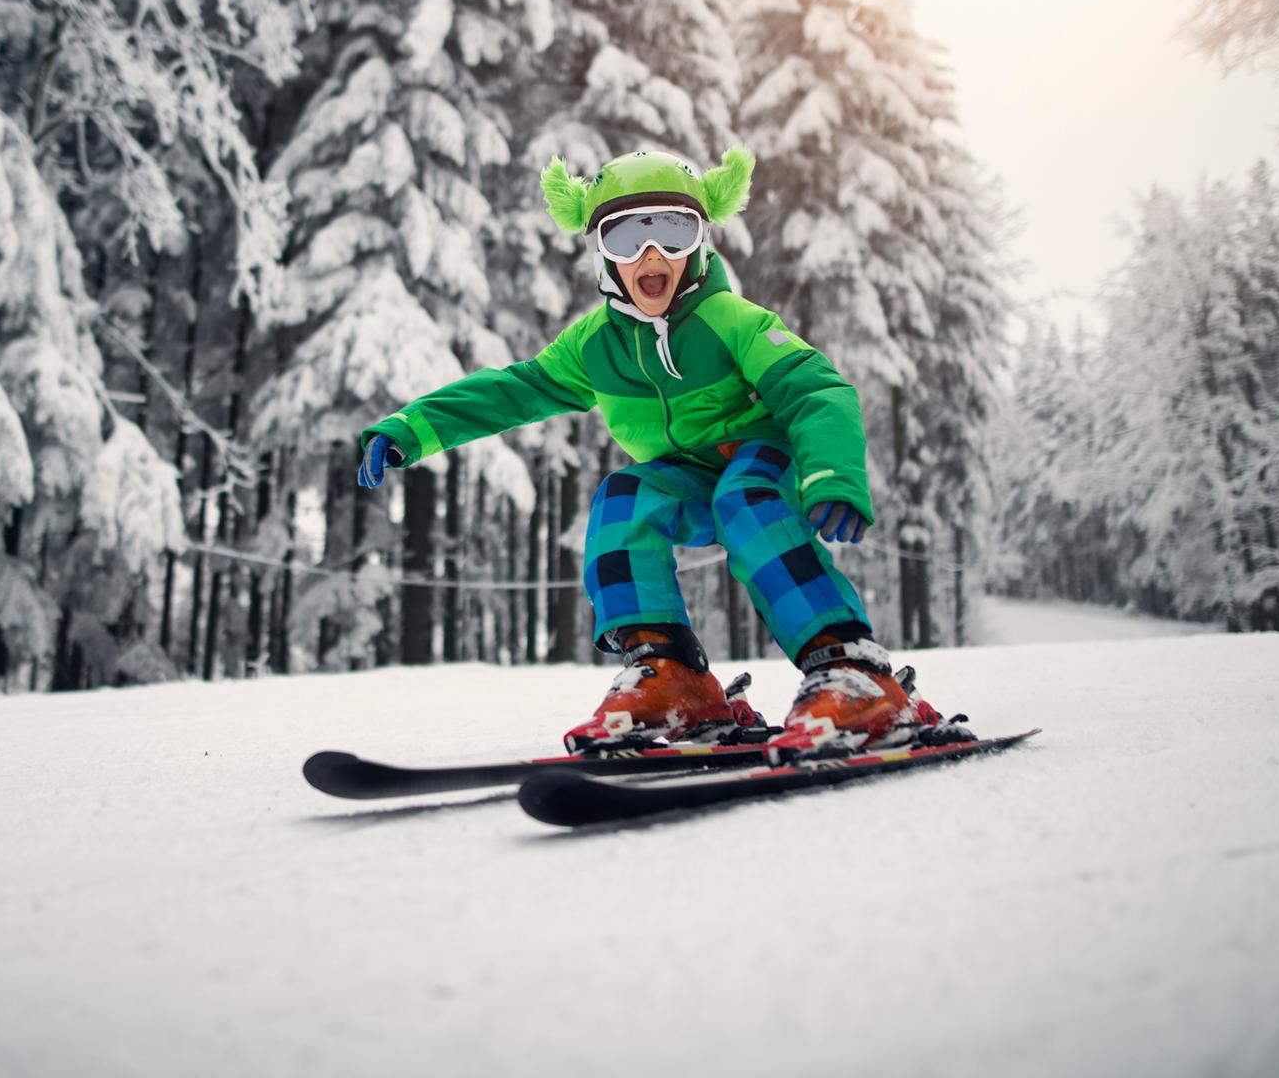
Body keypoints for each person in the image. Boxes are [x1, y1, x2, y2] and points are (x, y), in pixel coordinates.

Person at [356, 148, 970, 758]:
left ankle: (850, 670)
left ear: (699, 243)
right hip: (689, 475)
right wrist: (413, 427)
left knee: (745, 499)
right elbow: (513, 390)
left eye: (673, 233)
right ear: (604, 253)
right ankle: (671, 674)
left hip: (764, 454)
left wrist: (830, 471)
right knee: (623, 498)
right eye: (627, 238)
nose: (651, 256)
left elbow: (815, 388)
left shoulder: (732, 320)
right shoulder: (595, 345)